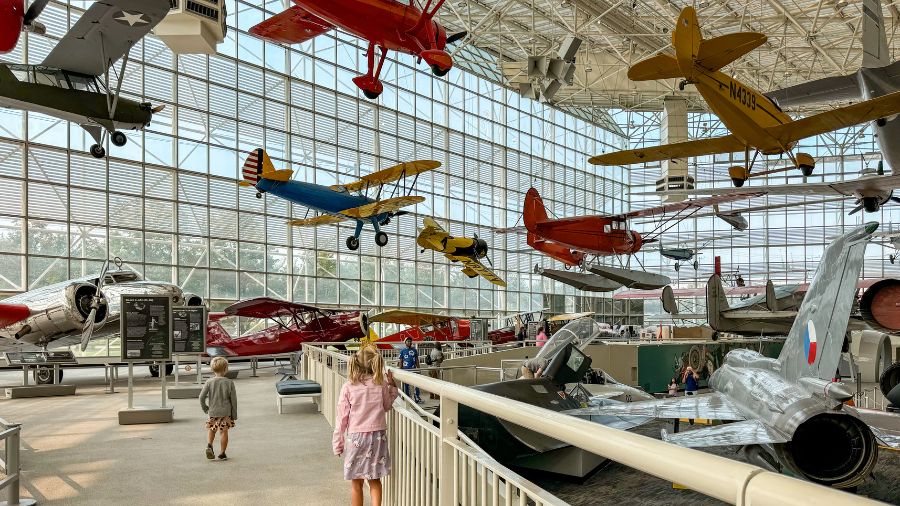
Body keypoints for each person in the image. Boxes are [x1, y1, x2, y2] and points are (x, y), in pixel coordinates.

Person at [333, 344, 399, 506]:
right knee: (374, 480)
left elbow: (342, 418)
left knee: (356, 482)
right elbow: (386, 406)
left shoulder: (348, 386)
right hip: (378, 437)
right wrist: (393, 387)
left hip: (356, 438)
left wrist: (338, 443)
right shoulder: (381, 384)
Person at [200, 356, 237, 461]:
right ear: (226, 369)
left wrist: (206, 408)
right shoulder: (229, 382)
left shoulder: (209, 382)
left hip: (213, 411)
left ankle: (209, 445)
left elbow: (201, 397)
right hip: (225, 412)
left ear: (212, 369)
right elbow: (233, 400)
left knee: (212, 429)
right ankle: (222, 453)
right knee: (223, 432)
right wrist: (234, 414)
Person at [397, 337, 422, 403]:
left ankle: (417, 397)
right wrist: (400, 369)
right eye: (408, 341)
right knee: (406, 385)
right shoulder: (402, 351)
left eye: (410, 341)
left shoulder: (414, 350)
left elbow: (417, 360)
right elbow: (401, 361)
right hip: (406, 370)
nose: (409, 342)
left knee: (416, 384)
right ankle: (408, 398)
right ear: (405, 342)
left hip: (414, 369)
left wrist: (419, 369)